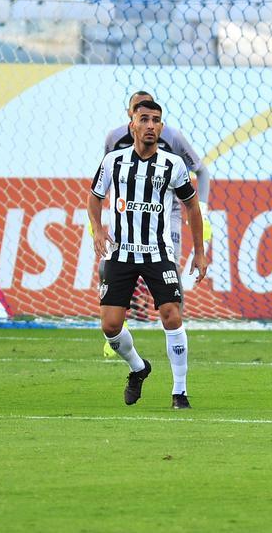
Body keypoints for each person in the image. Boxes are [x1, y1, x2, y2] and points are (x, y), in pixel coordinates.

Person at [88, 99, 208, 409]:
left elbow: (192, 206)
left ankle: (180, 392)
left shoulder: (173, 165)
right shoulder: (113, 161)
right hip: (121, 254)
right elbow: (95, 197)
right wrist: (98, 229)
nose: (150, 125)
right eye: (144, 119)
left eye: (156, 120)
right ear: (133, 125)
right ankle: (138, 368)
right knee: (110, 327)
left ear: (161, 127)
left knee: (171, 314)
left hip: (158, 253)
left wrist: (199, 251)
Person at [101, 89, 210, 352]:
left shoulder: (172, 138)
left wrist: (203, 210)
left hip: (167, 214)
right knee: (107, 267)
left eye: (154, 118)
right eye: (141, 114)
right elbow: (105, 177)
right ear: (131, 115)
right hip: (127, 214)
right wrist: (100, 221)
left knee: (169, 270)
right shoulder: (114, 139)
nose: (149, 123)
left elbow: (201, 171)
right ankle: (118, 329)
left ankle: (175, 327)